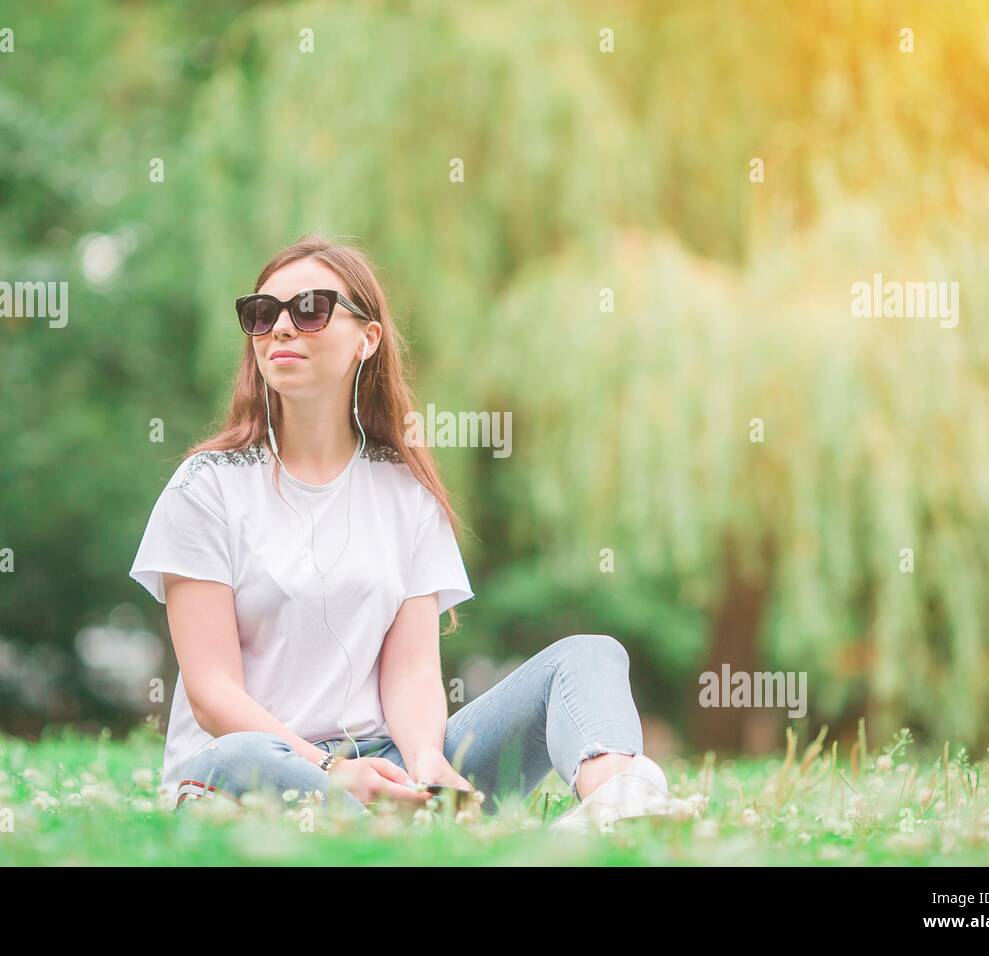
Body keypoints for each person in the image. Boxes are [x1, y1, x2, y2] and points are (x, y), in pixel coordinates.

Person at [129, 233, 674, 831]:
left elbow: (411, 671)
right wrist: (332, 771)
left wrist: (427, 763)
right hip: (255, 769)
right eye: (261, 315)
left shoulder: (406, 492)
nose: (280, 328)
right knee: (238, 756)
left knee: (590, 655)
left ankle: (617, 805)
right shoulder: (206, 486)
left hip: (387, 769)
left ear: (368, 338)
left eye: (309, 309)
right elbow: (212, 696)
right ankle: (375, 821)